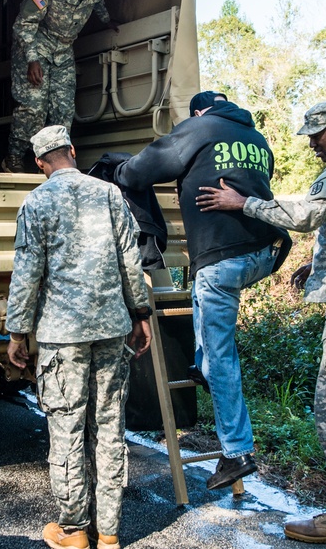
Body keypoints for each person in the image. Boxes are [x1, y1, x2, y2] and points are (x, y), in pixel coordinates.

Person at [195, 99, 326, 546]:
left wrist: (242, 201)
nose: (311, 143)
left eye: (318, 133)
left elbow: (307, 215)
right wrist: (318, 262)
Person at [113, 91, 286, 491]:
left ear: (198, 113)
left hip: (221, 261)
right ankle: (200, 366)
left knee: (220, 356)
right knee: (209, 346)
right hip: (262, 254)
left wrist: (118, 172)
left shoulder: (199, 127)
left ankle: (237, 451)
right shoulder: (257, 139)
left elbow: (142, 169)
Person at [5, 125, 152, 549]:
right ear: (72, 150)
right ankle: (109, 531)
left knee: (67, 428)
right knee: (109, 427)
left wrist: (17, 331)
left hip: (62, 337)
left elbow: (27, 272)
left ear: (39, 163)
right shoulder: (109, 195)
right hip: (110, 329)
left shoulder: (37, 201)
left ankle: (74, 531)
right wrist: (140, 314)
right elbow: (132, 261)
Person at [4, 0, 119, 173]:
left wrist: (107, 20)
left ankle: (52, 164)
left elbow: (97, 3)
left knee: (63, 111)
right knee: (34, 108)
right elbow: (23, 23)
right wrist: (32, 59)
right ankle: (14, 157)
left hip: (64, 50)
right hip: (35, 47)